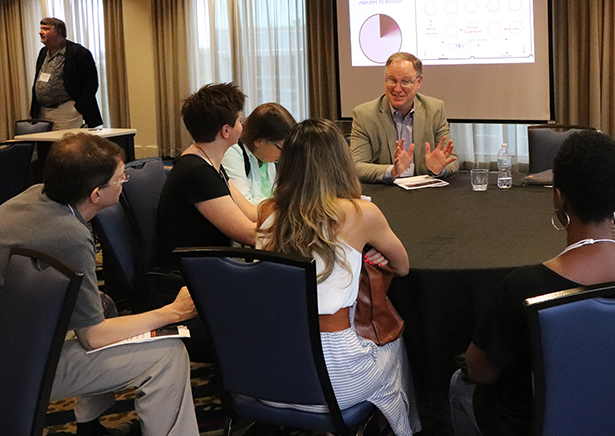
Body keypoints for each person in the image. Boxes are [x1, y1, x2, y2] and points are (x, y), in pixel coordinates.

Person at [450, 130, 615, 436]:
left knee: (459, 385)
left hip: (538, 424)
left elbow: (480, 371)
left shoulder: (523, 286)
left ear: (558, 196)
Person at [0, 133, 198, 436]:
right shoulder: (68, 234)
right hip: (14, 371)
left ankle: (89, 426)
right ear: (96, 193)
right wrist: (174, 312)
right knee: (168, 353)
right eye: (121, 179)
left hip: (15, 337)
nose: (124, 182)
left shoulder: (34, 196)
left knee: (101, 304)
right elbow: (93, 337)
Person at [256, 119, 421, 436]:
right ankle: (405, 429)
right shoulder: (360, 214)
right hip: (335, 379)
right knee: (394, 343)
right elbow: (402, 266)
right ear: (340, 163)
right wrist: (374, 251)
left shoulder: (266, 211)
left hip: (267, 372)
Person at [156, 83, 257, 269]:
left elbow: (250, 212)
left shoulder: (208, 162)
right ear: (226, 131)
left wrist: (290, 210)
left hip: (206, 266)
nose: (242, 127)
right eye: (239, 121)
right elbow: (249, 235)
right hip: (192, 275)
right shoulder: (197, 173)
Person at [350, 52, 458, 183]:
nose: (397, 88)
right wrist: (392, 171)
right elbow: (356, 166)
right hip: (384, 192)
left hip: (424, 193)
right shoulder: (364, 115)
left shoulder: (435, 109)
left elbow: (451, 160)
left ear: (418, 82)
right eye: (392, 80)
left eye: (405, 82)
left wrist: (437, 170)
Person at [30, 17, 103, 129]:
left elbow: (91, 84)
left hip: (66, 112)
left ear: (58, 31)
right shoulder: (43, 52)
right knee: (46, 146)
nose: (41, 32)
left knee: (67, 144)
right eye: (41, 29)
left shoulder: (78, 52)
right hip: (43, 112)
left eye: (46, 29)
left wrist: (77, 108)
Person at [221, 102, 296, 205]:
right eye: (281, 148)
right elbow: (245, 205)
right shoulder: (233, 152)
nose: (283, 155)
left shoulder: (266, 158)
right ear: (259, 141)